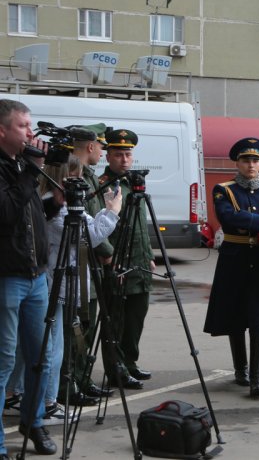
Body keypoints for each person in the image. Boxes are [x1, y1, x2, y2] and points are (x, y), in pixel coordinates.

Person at [40, 155, 120, 422]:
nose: (80, 185)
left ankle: (47, 399)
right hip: (56, 283)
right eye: (74, 179)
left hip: (65, 282)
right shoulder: (52, 208)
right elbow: (87, 235)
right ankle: (49, 402)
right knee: (53, 347)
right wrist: (112, 212)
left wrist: (105, 212)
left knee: (58, 344)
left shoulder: (66, 206)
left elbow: (88, 226)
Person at [0, 99, 57, 456]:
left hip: (36, 276)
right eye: (23, 126)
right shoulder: (17, 169)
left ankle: (33, 421)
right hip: (7, 277)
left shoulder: (22, 166)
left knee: (41, 357)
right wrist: (32, 170)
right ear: (2, 130)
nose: (31, 133)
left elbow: (29, 213)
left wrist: (55, 203)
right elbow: (5, 212)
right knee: (4, 359)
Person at [203, 138, 259, 396]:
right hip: (233, 257)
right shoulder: (224, 189)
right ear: (237, 162)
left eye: (256, 160)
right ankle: (241, 369)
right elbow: (228, 217)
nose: (251, 165)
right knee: (235, 315)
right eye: (246, 160)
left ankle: (258, 378)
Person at [99, 129, 156, 389]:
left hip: (139, 261)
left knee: (136, 318)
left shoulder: (134, 184)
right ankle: (117, 369)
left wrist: (150, 255)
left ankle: (130, 363)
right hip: (119, 261)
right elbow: (99, 224)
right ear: (108, 156)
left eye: (128, 154)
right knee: (117, 320)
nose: (124, 159)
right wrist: (109, 256)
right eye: (118, 154)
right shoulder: (103, 185)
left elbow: (140, 225)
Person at [70, 123, 114, 400]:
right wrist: (108, 250)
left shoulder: (88, 175)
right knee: (78, 325)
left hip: (89, 258)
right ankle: (71, 382)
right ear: (90, 146)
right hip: (84, 259)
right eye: (101, 146)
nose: (101, 152)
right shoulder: (77, 177)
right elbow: (88, 222)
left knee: (85, 324)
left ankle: (82, 378)